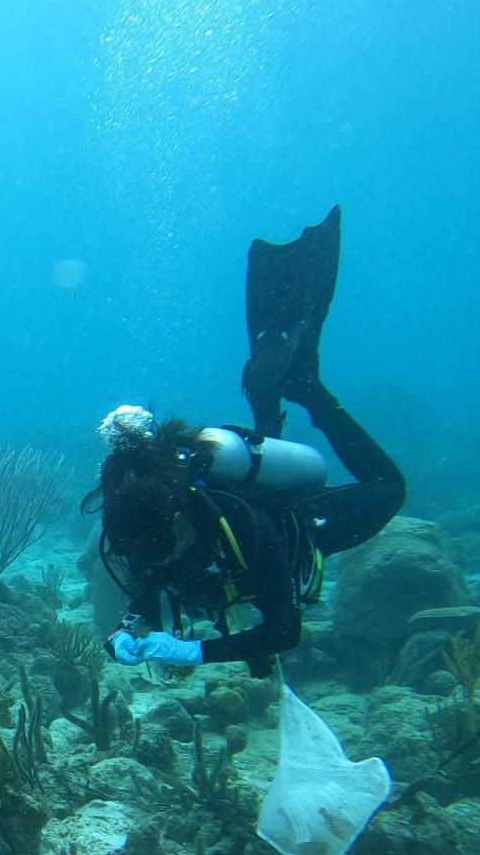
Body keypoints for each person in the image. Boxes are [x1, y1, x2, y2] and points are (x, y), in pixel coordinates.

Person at [88, 206, 406, 676]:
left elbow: (284, 630)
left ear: (177, 523)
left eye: (156, 553)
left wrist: (195, 652)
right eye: (140, 558)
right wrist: (125, 632)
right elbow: (146, 595)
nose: (150, 564)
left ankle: (311, 392)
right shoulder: (142, 538)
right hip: (235, 529)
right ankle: (268, 405)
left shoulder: (240, 525)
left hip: (295, 530)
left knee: (390, 489)